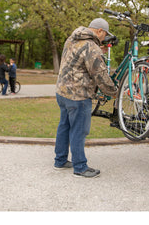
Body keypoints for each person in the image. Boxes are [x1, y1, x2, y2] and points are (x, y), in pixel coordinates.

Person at [54, 18, 118, 178]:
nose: (104, 38)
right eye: (105, 35)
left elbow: (78, 58)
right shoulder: (91, 46)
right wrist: (115, 92)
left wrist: (97, 52)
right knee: (78, 130)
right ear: (100, 31)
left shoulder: (73, 38)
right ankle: (80, 166)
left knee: (64, 126)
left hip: (62, 92)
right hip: (78, 95)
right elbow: (100, 75)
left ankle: (60, 160)